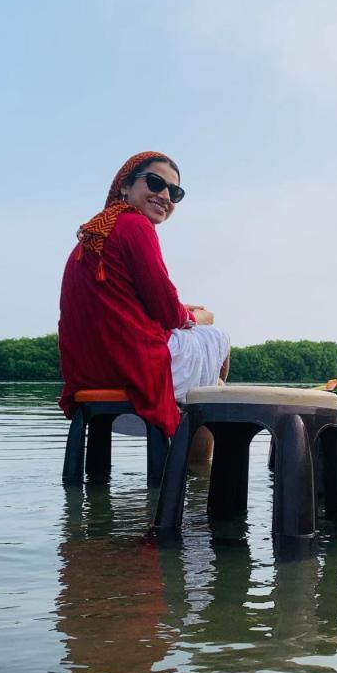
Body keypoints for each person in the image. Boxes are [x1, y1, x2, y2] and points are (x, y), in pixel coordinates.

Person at [58, 151, 229, 460]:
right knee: (218, 342)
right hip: (130, 365)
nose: (164, 195)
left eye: (174, 192)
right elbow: (167, 312)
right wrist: (199, 316)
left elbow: (124, 303)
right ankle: (199, 481)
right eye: (155, 182)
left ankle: (205, 403)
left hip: (87, 371)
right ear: (125, 186)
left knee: (209, 376)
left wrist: (181, 310)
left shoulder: (93, 234)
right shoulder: (135, 226)